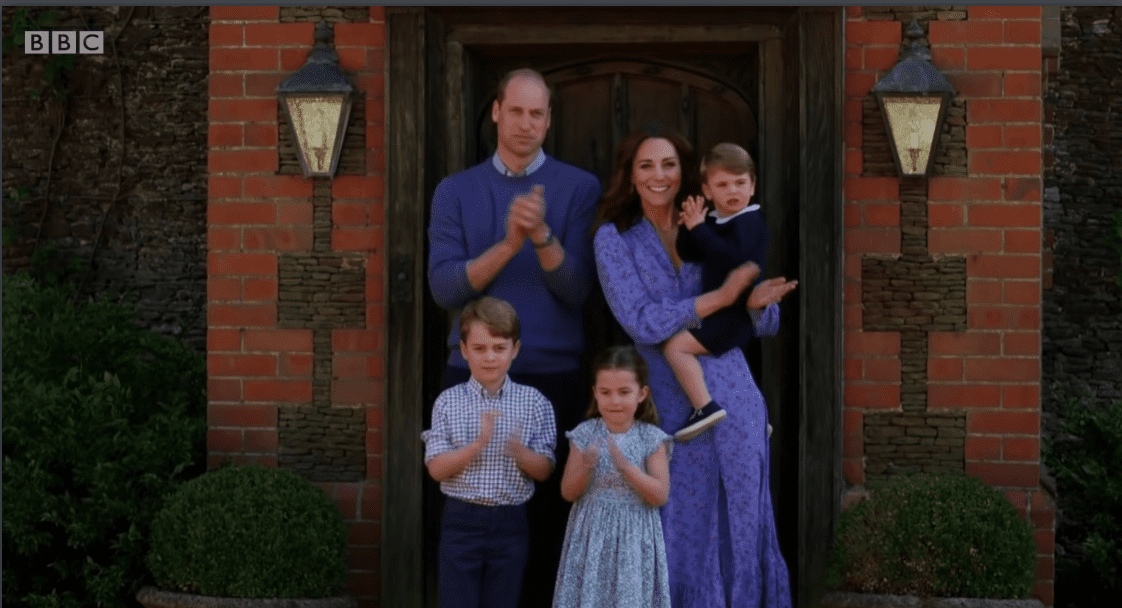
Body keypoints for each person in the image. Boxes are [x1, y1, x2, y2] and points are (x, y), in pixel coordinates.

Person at [593, 128, 797, 607]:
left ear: (685, 173)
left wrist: (755, 304)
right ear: (630, 175)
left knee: (743, 521)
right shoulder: (614, 239)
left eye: (668, 165)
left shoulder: (714, 223)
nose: (658, 175)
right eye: (646, 165)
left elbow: (764, 320)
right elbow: (640, 320)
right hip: (671, 407)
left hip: (736, 398)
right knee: (680, 523)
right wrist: (720, 298)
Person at [426, 68, 602, 606]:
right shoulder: (455, 191)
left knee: (548, 522)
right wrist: (508, 244)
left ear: (549, 120)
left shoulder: (578, 187)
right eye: (517, 111)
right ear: (496, 112)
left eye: (538, 114)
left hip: (552, 375)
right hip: (472, 371)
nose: (527, 124)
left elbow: (578, 290)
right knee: (466, 513)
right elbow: (444, 286)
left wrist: (543, 236)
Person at [422, 296, 557, 608]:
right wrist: (477, 446)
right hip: (461, 519)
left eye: (499, 348)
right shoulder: (448, 401)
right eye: (480, 348)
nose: (490, 357)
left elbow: (546, 469)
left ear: (515, 350)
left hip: (511, 521)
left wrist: (519, 452)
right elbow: (436, 469)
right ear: (465, 350)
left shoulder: (534, 402)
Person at [665, 142, 770, 441]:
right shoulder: (716, 221)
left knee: (676, 347)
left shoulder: (750, 221)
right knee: (725, 368)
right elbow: (690, 253)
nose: (733, 191)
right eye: (722, 185)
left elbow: (731, 260)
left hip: (735, 314)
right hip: (720, 312)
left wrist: (700, 229)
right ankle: (752, 413)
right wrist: (689, 226)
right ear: (708, 191)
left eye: (740, 183)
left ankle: (704, 406)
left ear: (753, 186)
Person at [553, 346, 672, 608]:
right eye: (605, 393)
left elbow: (660, 495)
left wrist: (627, 468)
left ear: (642, 394)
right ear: (595, 392)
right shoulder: (585, 434)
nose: (614, 401)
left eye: (624, 392)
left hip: (634, 538)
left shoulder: (650, 438)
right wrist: (584, 466)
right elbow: (568, 492)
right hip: (591, 537)